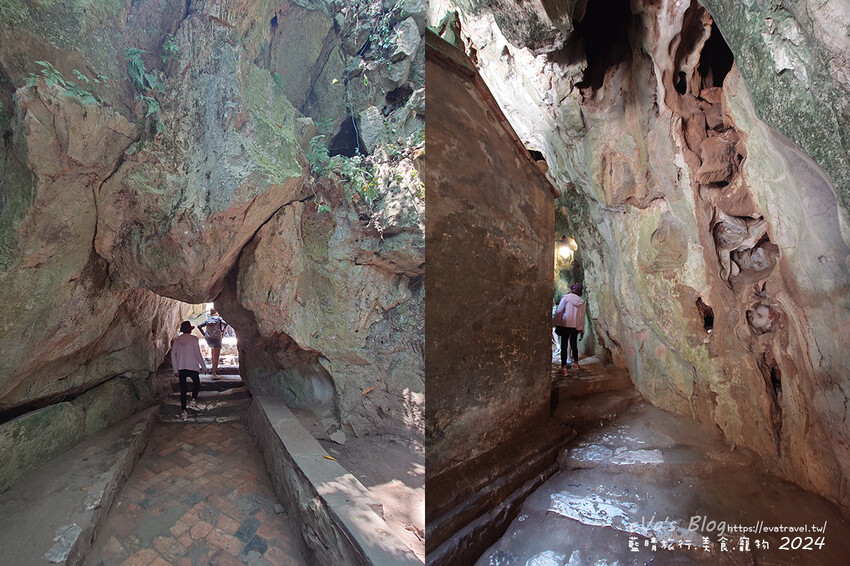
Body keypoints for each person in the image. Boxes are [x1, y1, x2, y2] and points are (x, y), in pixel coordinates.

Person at [171, 320, 207, 422]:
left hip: (181, 367)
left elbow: (173, 355)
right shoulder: (194, 339)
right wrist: (204, 367)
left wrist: (175, 369)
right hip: (192, 366)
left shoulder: (177, 340)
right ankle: (193, 401)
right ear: (190, 330)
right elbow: (198, 354)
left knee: (183, 389)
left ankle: (184, 412)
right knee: (196, 383)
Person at [553, 282, 586, 375]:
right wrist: (582, 329)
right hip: (575, 326)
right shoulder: (581, 302)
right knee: (574, 345)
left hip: (566, 325)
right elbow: (581, 317)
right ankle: (576, 364)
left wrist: (554, 323)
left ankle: (564, 368)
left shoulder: (566, 298)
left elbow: (559, 311)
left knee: (564, 346)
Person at [198, 308, 228, 378]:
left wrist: (204, 334)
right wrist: (222, 331)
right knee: (216, 356)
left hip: (209, 339)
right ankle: (214, 373)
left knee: (212, 351)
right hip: (217, 338)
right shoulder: (219, 319)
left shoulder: (208, 319)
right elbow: (226, 324)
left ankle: (212, 367)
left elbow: (199, 326)